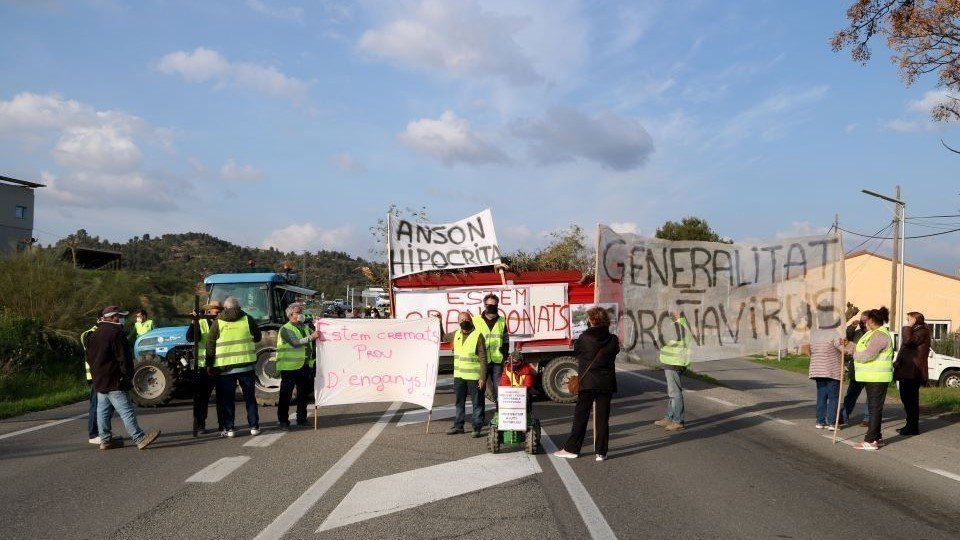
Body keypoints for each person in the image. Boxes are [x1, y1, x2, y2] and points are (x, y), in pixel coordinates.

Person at [86, 306, 161, 450]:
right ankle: (139, 438)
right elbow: (125, 358)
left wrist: (97, 374)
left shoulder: (93, 335)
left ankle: (105, 439)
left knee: (102, 411)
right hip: (115, 380)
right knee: (126, 411)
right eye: (120, 316)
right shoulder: (116, 333)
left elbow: (89, 358)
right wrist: (127, 377)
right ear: (113, 317)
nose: (122, 319)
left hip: (100, 380)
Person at [554, 307, 619, 461]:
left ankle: (572, 449)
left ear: (591, 321)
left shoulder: (584, 338)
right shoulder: (613, 339)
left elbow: (577, 351)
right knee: (603, 419)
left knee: (581, 416)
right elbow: (615, 352)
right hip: (606, 383)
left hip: (588, 382)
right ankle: (601, 453)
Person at [206, 296, 262, 438]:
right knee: (249, 398)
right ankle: (254, 426)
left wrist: (209, 364)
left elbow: (210, 344)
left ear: (225, 308)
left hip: (225, 369)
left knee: (228, 400)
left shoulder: (218, 322)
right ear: (239, 307)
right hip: (246, 366)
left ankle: (230, 429)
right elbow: (258, 337)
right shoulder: (247, 319)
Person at [844, 307, 894, 451]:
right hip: (871, 377)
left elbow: (867, 355)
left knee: (874, 409)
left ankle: (871, 440)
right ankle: (877, 438)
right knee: (874, 409)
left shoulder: (879, 335)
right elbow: (860, 350)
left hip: (877, 377)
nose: (864, 323)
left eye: (866, 321)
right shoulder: (872, 333)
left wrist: (853, 355)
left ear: (871, 321)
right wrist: (847, 345)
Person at [276, 303, 321, 430]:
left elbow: (316, 334)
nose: (301, 314)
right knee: (286, 396)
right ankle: (283, 421)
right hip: (289, 367)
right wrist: (311, 337)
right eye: (298, 312)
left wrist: (318, 325)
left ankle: (302, 418)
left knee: (303, 395)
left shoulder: (305, 327)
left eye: (301, 312)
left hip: (304, 366)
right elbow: (295, 343)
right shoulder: (286, 329)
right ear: (291, 315)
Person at [444, 311, 488, 438]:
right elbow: (442, 337)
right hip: (459, 376)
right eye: (462, 319)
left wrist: (482, 377)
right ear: (458, 322)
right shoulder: (456, 334)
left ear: (471, 320)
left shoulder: (478, 336)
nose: (464, 321)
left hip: (474, 377)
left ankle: (477, 427)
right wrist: (439, 322)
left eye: (467, 319)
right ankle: (458, 426)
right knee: (459, 402)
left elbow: (483, 359)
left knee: (477, 403)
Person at [186, 300, 223, 436]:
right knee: (202, 398)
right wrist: (193, 322)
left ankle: (223, 424)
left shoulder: (222, 323)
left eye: (220, 310)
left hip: (220, 365)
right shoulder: (201, 323)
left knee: (222, 397)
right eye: (216, 310)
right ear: (208, 311)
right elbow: (190, 337)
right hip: (203, 366)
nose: (219, 313)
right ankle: (200, 424)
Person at [894, 311, 930, 436]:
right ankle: (909, 424)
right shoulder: (916, 331)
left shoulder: (922, 332)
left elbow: (908, 341)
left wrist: (908, 327)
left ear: (916, 320)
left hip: (914, 372)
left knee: (911, 400)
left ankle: (913, 427)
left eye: (909, 319)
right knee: (906, 399)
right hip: (906, 371)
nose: (907, 321)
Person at [655, 311, 691, 432]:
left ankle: (678, 421)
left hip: (673, 362)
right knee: (672, 392)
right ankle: (669, 418)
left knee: (675, 393)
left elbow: (665, 341)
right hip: (674, 361)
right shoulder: (681, 325)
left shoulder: (678, 326)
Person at [473, 293, 509, 409]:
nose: (492, 307)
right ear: (485, 305)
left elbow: (506, 340)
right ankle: (479, 419)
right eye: (489, 305)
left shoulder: (502, 321)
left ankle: (500, 416)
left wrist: (504, 355)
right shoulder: (476, 320)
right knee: (479, 390)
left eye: (494, 305)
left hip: (497, 361)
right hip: (481, 361)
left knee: (500, 390)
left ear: (497, 305)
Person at [80, 316, 113, 444]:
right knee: (96, 405)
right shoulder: (89, 334)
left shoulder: (104, 332)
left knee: (106, 406)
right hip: (94, 376)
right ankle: (94, 434)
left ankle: (103, 431)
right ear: (100, 319)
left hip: (103, 375)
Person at [808, 330, 844, 430]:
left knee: (822, 396)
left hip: (818, 370)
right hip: (831, 370)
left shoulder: (815, 336)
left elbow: (810, 351)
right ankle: (832, 423)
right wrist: (847, 345)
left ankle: (820, 421)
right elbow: (843, 350)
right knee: (833, 397)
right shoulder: (834, 335)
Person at [840, 314, 871, 427]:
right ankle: (843, 416)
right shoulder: (857, 333)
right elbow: (847, 338)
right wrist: (851, 327)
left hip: (870, 371)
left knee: (870, 397)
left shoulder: (875, 334)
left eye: (865, 320)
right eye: (861, 320)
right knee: (851, 395)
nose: (862, 322)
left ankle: (868, 419)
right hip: (856, 370)